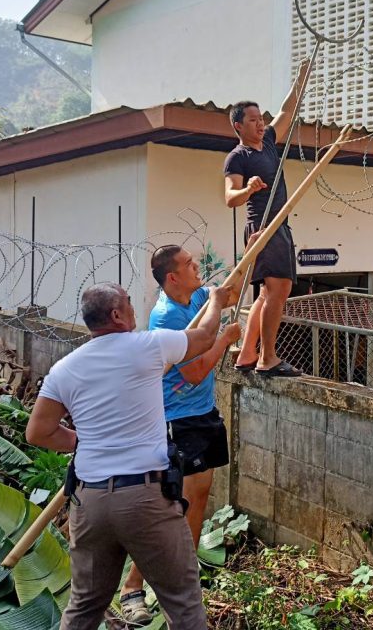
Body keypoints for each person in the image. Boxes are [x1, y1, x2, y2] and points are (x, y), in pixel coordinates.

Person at [25, 281, 238, 630]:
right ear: (116, 314)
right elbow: (204, 336)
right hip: (145, 498)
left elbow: (38, 432)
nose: (134, 307)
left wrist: (84, 441)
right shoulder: (148, 346)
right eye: (128, 302)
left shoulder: (65, 368)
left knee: (84, 606)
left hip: (90, 501)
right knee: (183, 603)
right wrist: (215, 300)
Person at [117, 245, 241, 626]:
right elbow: (195, 372)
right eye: (189, 264)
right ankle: (132, 588)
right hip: (177, 420)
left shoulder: (195, 297)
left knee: (199, 495)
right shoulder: (166, 317)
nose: (196, 266)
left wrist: (256, 251)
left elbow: (230, 292)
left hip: (203, 414)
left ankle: (184, 578)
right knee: (173, 507)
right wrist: (225, 339)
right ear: (172, 277)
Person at [224, 59, 311, 377]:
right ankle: (268, 358)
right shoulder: (238, 157)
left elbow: (287, 111)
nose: (260, 124)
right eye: (253, 120)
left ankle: (248, 354)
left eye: (261, 119)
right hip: (263, 227)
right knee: (279, 289)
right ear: (238, 126)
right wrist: (247, 189)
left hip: (279, 225)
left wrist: (300, 80)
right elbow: (230, 198)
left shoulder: (270, 143)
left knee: (267, 292)